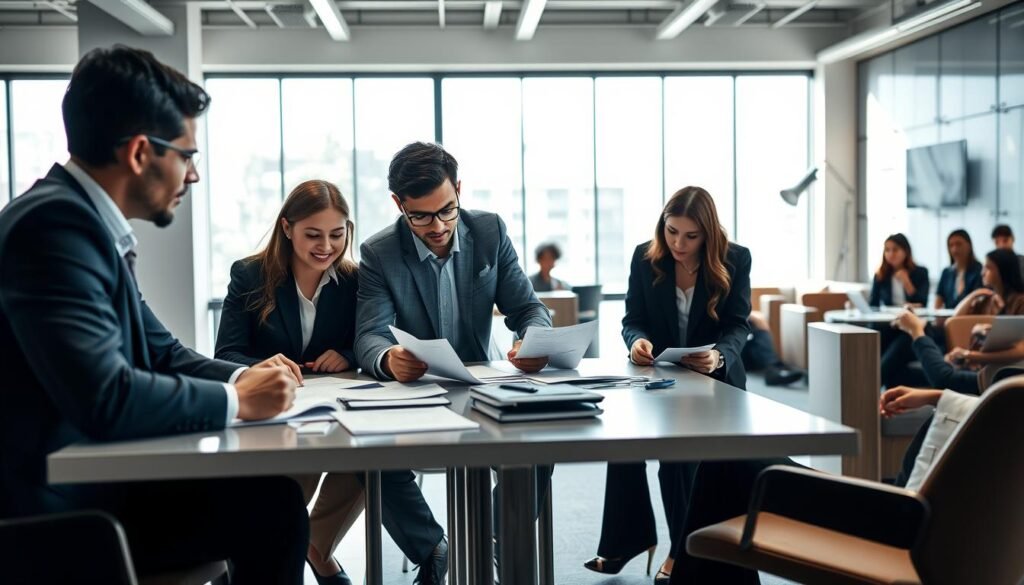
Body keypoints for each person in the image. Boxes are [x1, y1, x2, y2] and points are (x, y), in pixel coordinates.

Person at [0, 45, 309, 582]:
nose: (191, 177)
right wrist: (238, 399)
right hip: (52, 512)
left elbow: (160, 351)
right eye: (186, 156)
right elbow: (107, 396)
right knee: (271, 507)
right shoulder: (55, 228)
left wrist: (245, 375)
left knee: (269, 498)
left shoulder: (83, 222)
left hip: (84, 487)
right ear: (142, 153)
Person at [215, 180, 447, 584]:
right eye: (313, 235)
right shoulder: (250, 275)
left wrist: (351, 354)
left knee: (368, 454)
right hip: (278, 413)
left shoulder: (355, 281)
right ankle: (311, 551)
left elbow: (373, 336)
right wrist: (263, 365)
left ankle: (313, 547)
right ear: (287, 228)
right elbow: (226, 355)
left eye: (337, 234)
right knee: (305, 475)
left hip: (335, 410)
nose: (326, 246)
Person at [353, 141, 553, 571]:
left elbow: (529, 308)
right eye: (420, 216)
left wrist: (533, 340)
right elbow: (368, 335)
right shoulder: (379, 253)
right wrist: (389, 357)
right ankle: (434, 552)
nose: (438, 225)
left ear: (458, 189)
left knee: (540, 446)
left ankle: (493, 538)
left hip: (485, 390)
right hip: (416, 395)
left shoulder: (489, 231)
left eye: (447, 209)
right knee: (370, 460)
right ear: (398, 204)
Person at [585, 186, 751, 583]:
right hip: (658, 374)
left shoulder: (735, 258)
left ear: (708, 233)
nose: (678, 243)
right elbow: (632, 319)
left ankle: (680, 551)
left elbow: (738, 325)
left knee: (676, 458)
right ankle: (627, 540)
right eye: (672, 230)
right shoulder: (647, 257)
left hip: (714, 379)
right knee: (623, 443)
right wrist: (635, 341)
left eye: (690, 236)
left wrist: (719, 355)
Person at [665, 385, 980, 584]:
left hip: (895, 522)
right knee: (728, 458)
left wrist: (943, 396)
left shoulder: (1007, 397)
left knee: (728, 459)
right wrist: (939, 397)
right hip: (898, 510)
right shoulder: (1006, 398)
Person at [869, 233, 929, 308]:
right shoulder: (880, 274)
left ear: (906, 251)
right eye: (887, 250)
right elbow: (873, 304)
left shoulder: (921, 272)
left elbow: (922, 302)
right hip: (887, 317)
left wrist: (906, 282)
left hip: (913, 316)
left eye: (895, 250)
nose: (891, 254)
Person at [742, 311, 802, 386]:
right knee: (756, 323)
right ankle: (774, 367)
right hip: (729, 358)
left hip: (748, 357)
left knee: (758, 327)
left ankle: (774, 367)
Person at [934, 229, 983, 310]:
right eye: (951, 245)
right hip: (949, 320)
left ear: (969, 245)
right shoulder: (946, 273)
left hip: (970, 319)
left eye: (959, 244)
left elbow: (978, 303)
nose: (954, 250)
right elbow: (937, 304)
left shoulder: (980, 271)